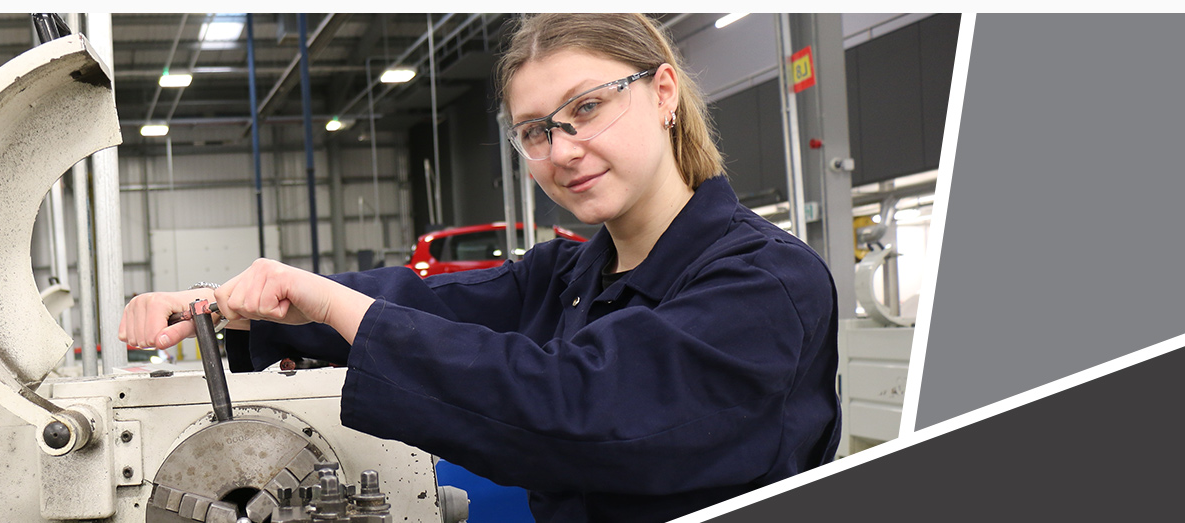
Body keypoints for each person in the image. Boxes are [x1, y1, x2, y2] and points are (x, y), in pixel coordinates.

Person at [119, 13, 838, 523]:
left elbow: (585, 410)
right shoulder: (568, 275)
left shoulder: (766, 282)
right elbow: (424, 302)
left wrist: (333, 304)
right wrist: (225, 303)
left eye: (587, 108)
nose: (563, 150)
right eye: (535, 131)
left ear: (663, 94)